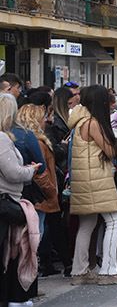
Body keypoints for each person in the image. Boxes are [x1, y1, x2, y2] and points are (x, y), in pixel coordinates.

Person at [68, 85, 117, 285]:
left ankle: (79, 270)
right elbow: (109, 151)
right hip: (97, 180)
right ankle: (108, 271)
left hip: (84, 179)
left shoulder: (79, 121)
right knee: (114, 221)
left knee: (87, 224)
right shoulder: (93, 123)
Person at [0, 93, 41, 307]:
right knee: (13, 252)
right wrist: (30, 171)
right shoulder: (2, 139)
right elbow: (12, 173)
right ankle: (14, 297)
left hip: (7, 200)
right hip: (6, 201)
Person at [16, 103, 59, 255]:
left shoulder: (21, 139)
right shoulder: (37, 142)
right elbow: (40, 171)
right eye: (42, 118)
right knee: (36, 232)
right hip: (39, 194)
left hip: (31, 192)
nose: (46, 121)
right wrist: (51, 191)